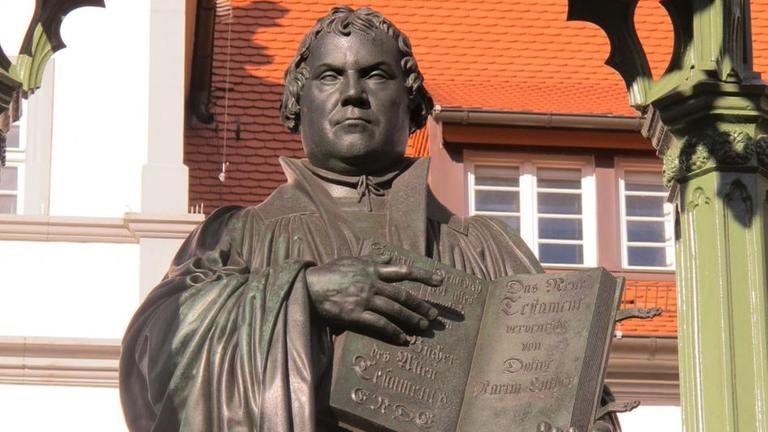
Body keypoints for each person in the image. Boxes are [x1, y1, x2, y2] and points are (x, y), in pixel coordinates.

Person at [119, 6, 614, 432]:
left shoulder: (485, 247)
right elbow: (151, 356)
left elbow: (583, 393)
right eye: (330, 75)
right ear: (298, 101)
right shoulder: (237, 235)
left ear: (413, 102)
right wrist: (303, 295)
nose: (352, 92)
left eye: (376, 75)